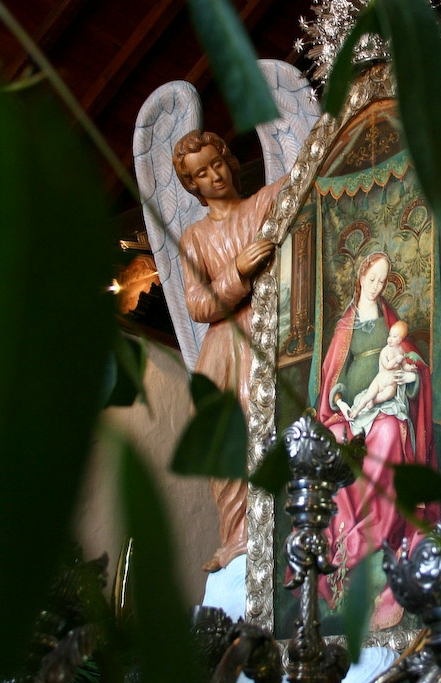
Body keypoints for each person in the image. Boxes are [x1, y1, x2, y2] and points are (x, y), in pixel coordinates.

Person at [173, 129, 283, 573]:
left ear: (229, 161)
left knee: (265, 420)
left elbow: (309, 173)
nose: (214, 176)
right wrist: (237, 272)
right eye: (201, 173)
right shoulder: (194, 237)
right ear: (192, 184)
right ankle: (237, 534)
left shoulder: (263, 203)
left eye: (217, 163)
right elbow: (199, 304)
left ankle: (281, 521)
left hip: (267, 327)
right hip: (223, 345)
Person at [314, 251, 440, 629]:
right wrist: (339, 399)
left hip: (385, 409)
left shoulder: (391, 322)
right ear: (361, 275)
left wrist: (410, 377)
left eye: (383, 281)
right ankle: (343, 542)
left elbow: (413, 363)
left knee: (386, 433)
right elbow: (335, 375)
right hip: (351, 411)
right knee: (335, 439)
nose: (376, 286)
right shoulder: (346, 325)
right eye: (372, 278)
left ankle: (373, 533)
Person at [346, 320, 418, 422]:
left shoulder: (401, 351)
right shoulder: (385, 351)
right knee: (368, 396)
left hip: (391, 384)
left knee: (389, 394)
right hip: (380, 381)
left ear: (400, 340)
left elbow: (404, 365)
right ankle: (356, 410)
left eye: (394, 337)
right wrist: (395, 360)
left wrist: (410, 368)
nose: (390, 339)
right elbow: (387, 366)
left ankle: (374, 402)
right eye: (390, 335)